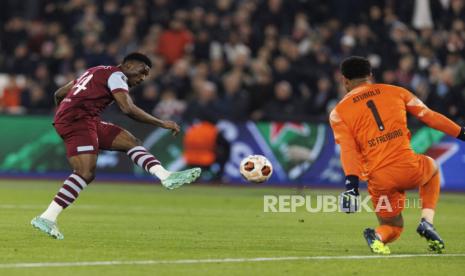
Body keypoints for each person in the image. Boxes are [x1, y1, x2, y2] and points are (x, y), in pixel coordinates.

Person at [31, 53, 201, 240]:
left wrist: (63, 116)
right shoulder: (117, 76)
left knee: (131, 142)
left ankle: (165, 176)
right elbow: (127, 108)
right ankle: (47, 217)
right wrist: (161, 123)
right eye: (141, 72)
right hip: (79, 120)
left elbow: (59, 94)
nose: (142, 78)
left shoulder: (95, 71)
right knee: (85, 172)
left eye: (146, 76)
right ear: (128, 65)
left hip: (84, 119)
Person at [330, 56, 465, 254]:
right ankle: (427, 222)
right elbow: (429, 116)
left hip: (379, 178)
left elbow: (348, 151)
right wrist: (462, 133)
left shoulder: (338, 112)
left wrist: (352, 188)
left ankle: (378, 236)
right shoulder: (397, 92)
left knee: (394, 226)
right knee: (432, 169)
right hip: (408, 167)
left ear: (345, 80)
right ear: (370, 75)